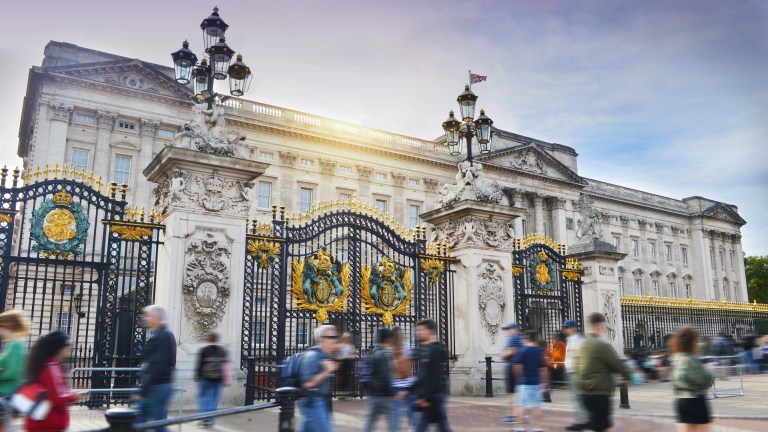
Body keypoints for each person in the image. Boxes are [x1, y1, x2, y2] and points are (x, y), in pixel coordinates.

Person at [574, 312, 631, 432]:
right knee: (604, 427)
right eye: (603, 327)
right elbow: (617, 364)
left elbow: (576, 368)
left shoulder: (582, 345)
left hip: (585, 393)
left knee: (599, 426)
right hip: (600, 392)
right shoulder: (601, 345)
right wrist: (627, 375)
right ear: (599, 327)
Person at [24, 330, 81, 432]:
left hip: (45, 423)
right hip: (48, 424)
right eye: (67, 347)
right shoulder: (51, 367)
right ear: (59, 349)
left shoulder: (47, 364)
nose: (69, 350)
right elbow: (55, 397)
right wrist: (72, 396)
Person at [136, 305, 176, 432]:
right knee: (145, 419)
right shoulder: (161, 335)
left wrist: (143, 390)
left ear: (157, 317)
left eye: (147, 315)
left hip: (158, 386)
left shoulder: (162, 336)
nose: (145, 318)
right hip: (158, 385)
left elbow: (157, 366)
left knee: (152, 422)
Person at [670, 326, 714, 432]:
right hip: (695, 400)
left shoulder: (675, 358)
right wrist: (709, 375)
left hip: (680, 400)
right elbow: (702, 380)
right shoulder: (691, 359)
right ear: (692, 342)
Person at [298, 324, 338, 432]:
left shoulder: (325, 356)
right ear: (322, 339)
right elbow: (307, 383)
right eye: (331, 337)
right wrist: (326, 371)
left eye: (335, 337)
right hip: (312, 402)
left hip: (318, 401)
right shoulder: (312, 356)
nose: (334, 340)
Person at [413, 319, 451, 432]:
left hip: (435, 395)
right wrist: (411, 390)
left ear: (430, 331)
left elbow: (434, 376)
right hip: (433, 394)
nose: (418, 333)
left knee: (432, 425)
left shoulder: (436, 349)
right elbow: (424, 374)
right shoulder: (428, 349)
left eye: (421, 330)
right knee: (441, 425)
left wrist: (426, 398)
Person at [512, 330, 547, 432]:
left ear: (526, 338)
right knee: (537, 406)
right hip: (536, 382)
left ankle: (520, 428)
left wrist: (518, 378)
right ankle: (538, 427)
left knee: (521, 405)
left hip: (524, 382)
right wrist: (544, 382)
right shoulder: (539, 351)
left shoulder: (522, 350)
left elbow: (517, 366)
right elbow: (543, 369)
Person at [364, 328, 398, 431]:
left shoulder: (374, 351)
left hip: (374, 392)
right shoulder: (383, 354)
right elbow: (385, 376)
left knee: (371, 420)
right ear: (387, 340)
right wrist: (391, 393)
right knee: (392, 419)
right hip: (383, 394)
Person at [0, 310, 29, 427]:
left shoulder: (15, 345)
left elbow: (14, 372)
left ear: (6, 326)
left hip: (7, 392)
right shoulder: (12, 344)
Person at [195, 331, 227, 428]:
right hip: (218, 379)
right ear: (217, 339)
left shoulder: (204, 350)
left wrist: (197, 378)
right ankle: (211, 420)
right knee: (214, 399)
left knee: (203, 398)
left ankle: (204, 418)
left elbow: (199, 365)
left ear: (209, 339)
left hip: (206, 378)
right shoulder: (222, 351)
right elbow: (225, 367)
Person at [562, 319, 588, 431]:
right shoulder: (571, 339)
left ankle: (581, 421)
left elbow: (581, 357)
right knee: (576, 397)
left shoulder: (578, 340)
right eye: (565, 328)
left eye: (567, 327)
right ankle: (582, 419)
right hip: (571, 372)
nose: (565, 330)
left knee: (578, 397)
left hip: (576, 372)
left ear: (574, 328)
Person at [391, 327, 416, 432]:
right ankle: (412, 428)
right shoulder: (406, 345)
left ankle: (396, 429)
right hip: (408, 381)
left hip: (395, 383)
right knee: (410, 407)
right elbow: (410, 364)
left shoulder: (389, 347)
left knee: (396, 409)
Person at [500, 322, 522, 424]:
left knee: (512, 392)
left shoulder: (514, 338)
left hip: (512, 366)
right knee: (514, 392)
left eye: (509, 329)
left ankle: (512, 415)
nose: (507, 332)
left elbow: (510, 351)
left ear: (514, 329)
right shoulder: (519, 337)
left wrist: (503, 356)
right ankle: (515, 414)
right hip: (517, 366)